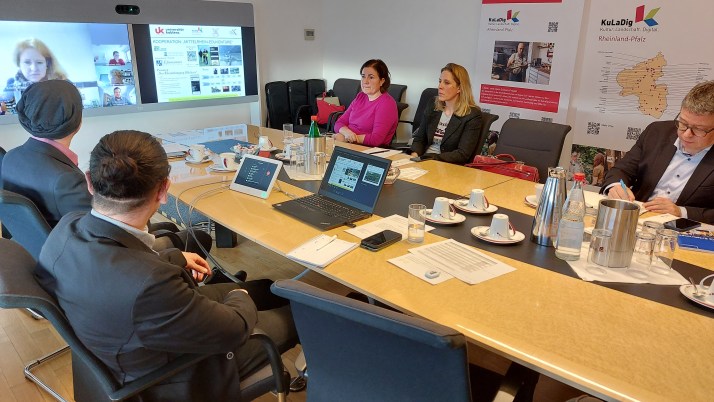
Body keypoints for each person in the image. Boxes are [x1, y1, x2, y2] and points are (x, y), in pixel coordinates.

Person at [35, 130, 298, 400]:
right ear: (163, 190)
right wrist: (239, 294)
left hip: (129, 336)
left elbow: (118, 271)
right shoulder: (151, 283)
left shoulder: (66, 228)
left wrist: (175, 257)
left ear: (89, 181)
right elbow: (236, 329)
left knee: (267, 288)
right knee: (301, 314)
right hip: (176, 373)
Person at [2, 80, 213, 256]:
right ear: (77, 121)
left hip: (45, 250)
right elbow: (107, 230)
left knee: (170, 227)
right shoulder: (64, 180)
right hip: (97, 258)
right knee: (197, 237)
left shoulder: (10, 158)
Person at [601, 80, 714, 224]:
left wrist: (681, 212)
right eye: (683, 123)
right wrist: (615, 186)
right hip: (636, 219)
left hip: (685, 228)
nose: (686, 134)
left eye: (698, 129)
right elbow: (622, 170)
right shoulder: (657, 132)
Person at [410, 63, 483, 164]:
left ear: (459, 88)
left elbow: (462, 154)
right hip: (423, 161)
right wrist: (414, 156)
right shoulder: (433, 105)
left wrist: (430, 158)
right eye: (440, 81)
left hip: (447, 165)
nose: (440, 86)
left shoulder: (472, 115)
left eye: (447, 83)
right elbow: (419, 139)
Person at [333, 59, 398, 147]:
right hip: (348, 143)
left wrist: (347, 139)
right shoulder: (360, 96)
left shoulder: (387, 104)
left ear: (382, 81)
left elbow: (376, 140)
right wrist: (347, 133)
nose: (365, 81)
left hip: (369, 149)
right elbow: (339, 123)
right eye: (363, 76)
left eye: (371, 77)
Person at [3, 38, 68, 102]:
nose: (34, 68)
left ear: (47, 63)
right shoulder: (11, 89)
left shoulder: (65, 86)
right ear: (19, 64)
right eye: (27, 62)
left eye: (39, 62)